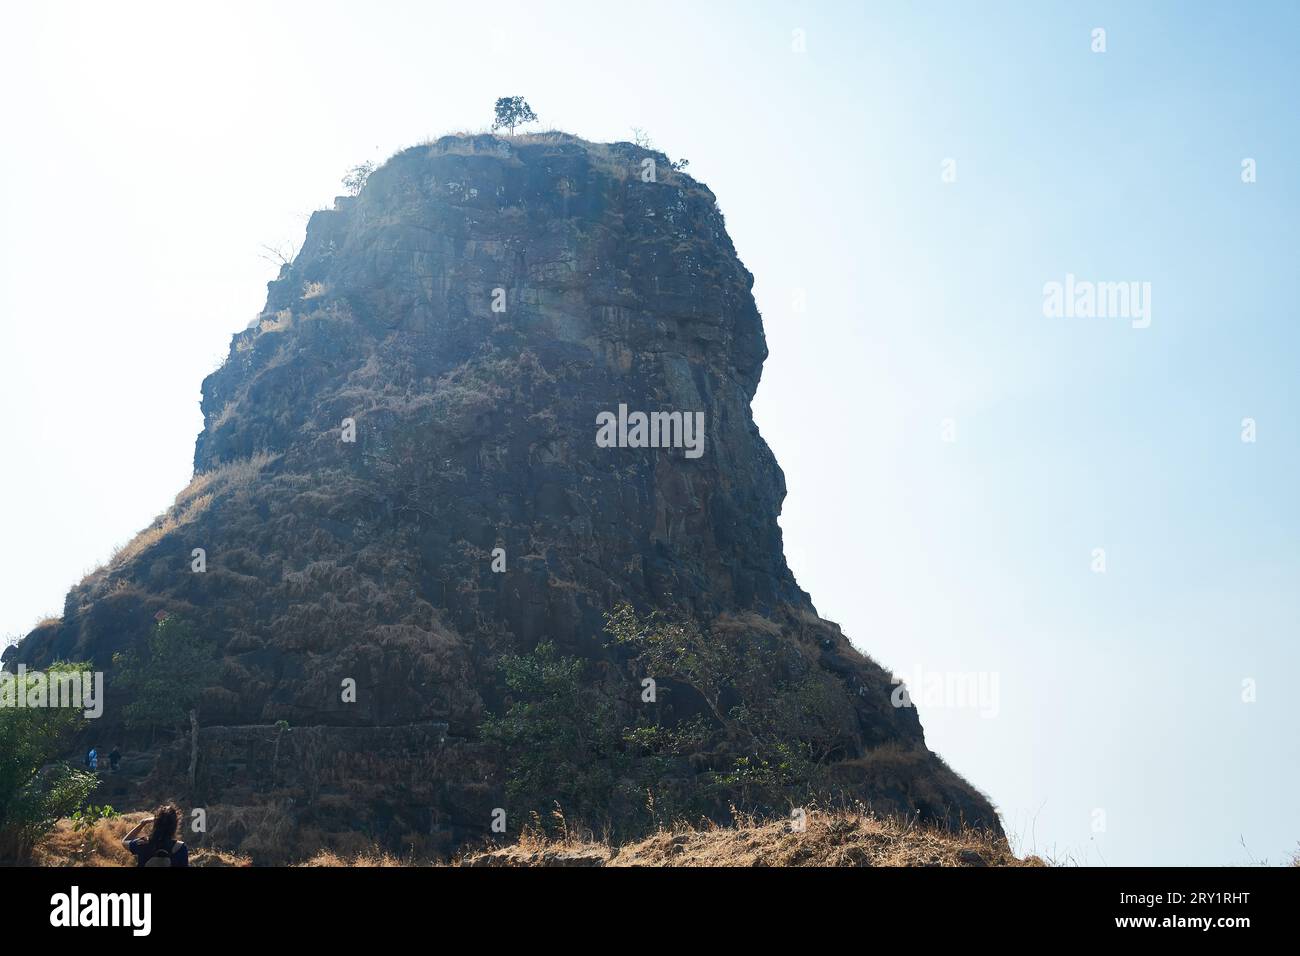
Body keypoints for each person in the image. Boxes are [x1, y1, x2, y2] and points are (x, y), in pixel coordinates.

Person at [122, 805, 190, 867]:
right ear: (175, 825)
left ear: (155, 824)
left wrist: (143, 823)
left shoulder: (142, 843)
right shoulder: (180, 848)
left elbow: (124, 841)